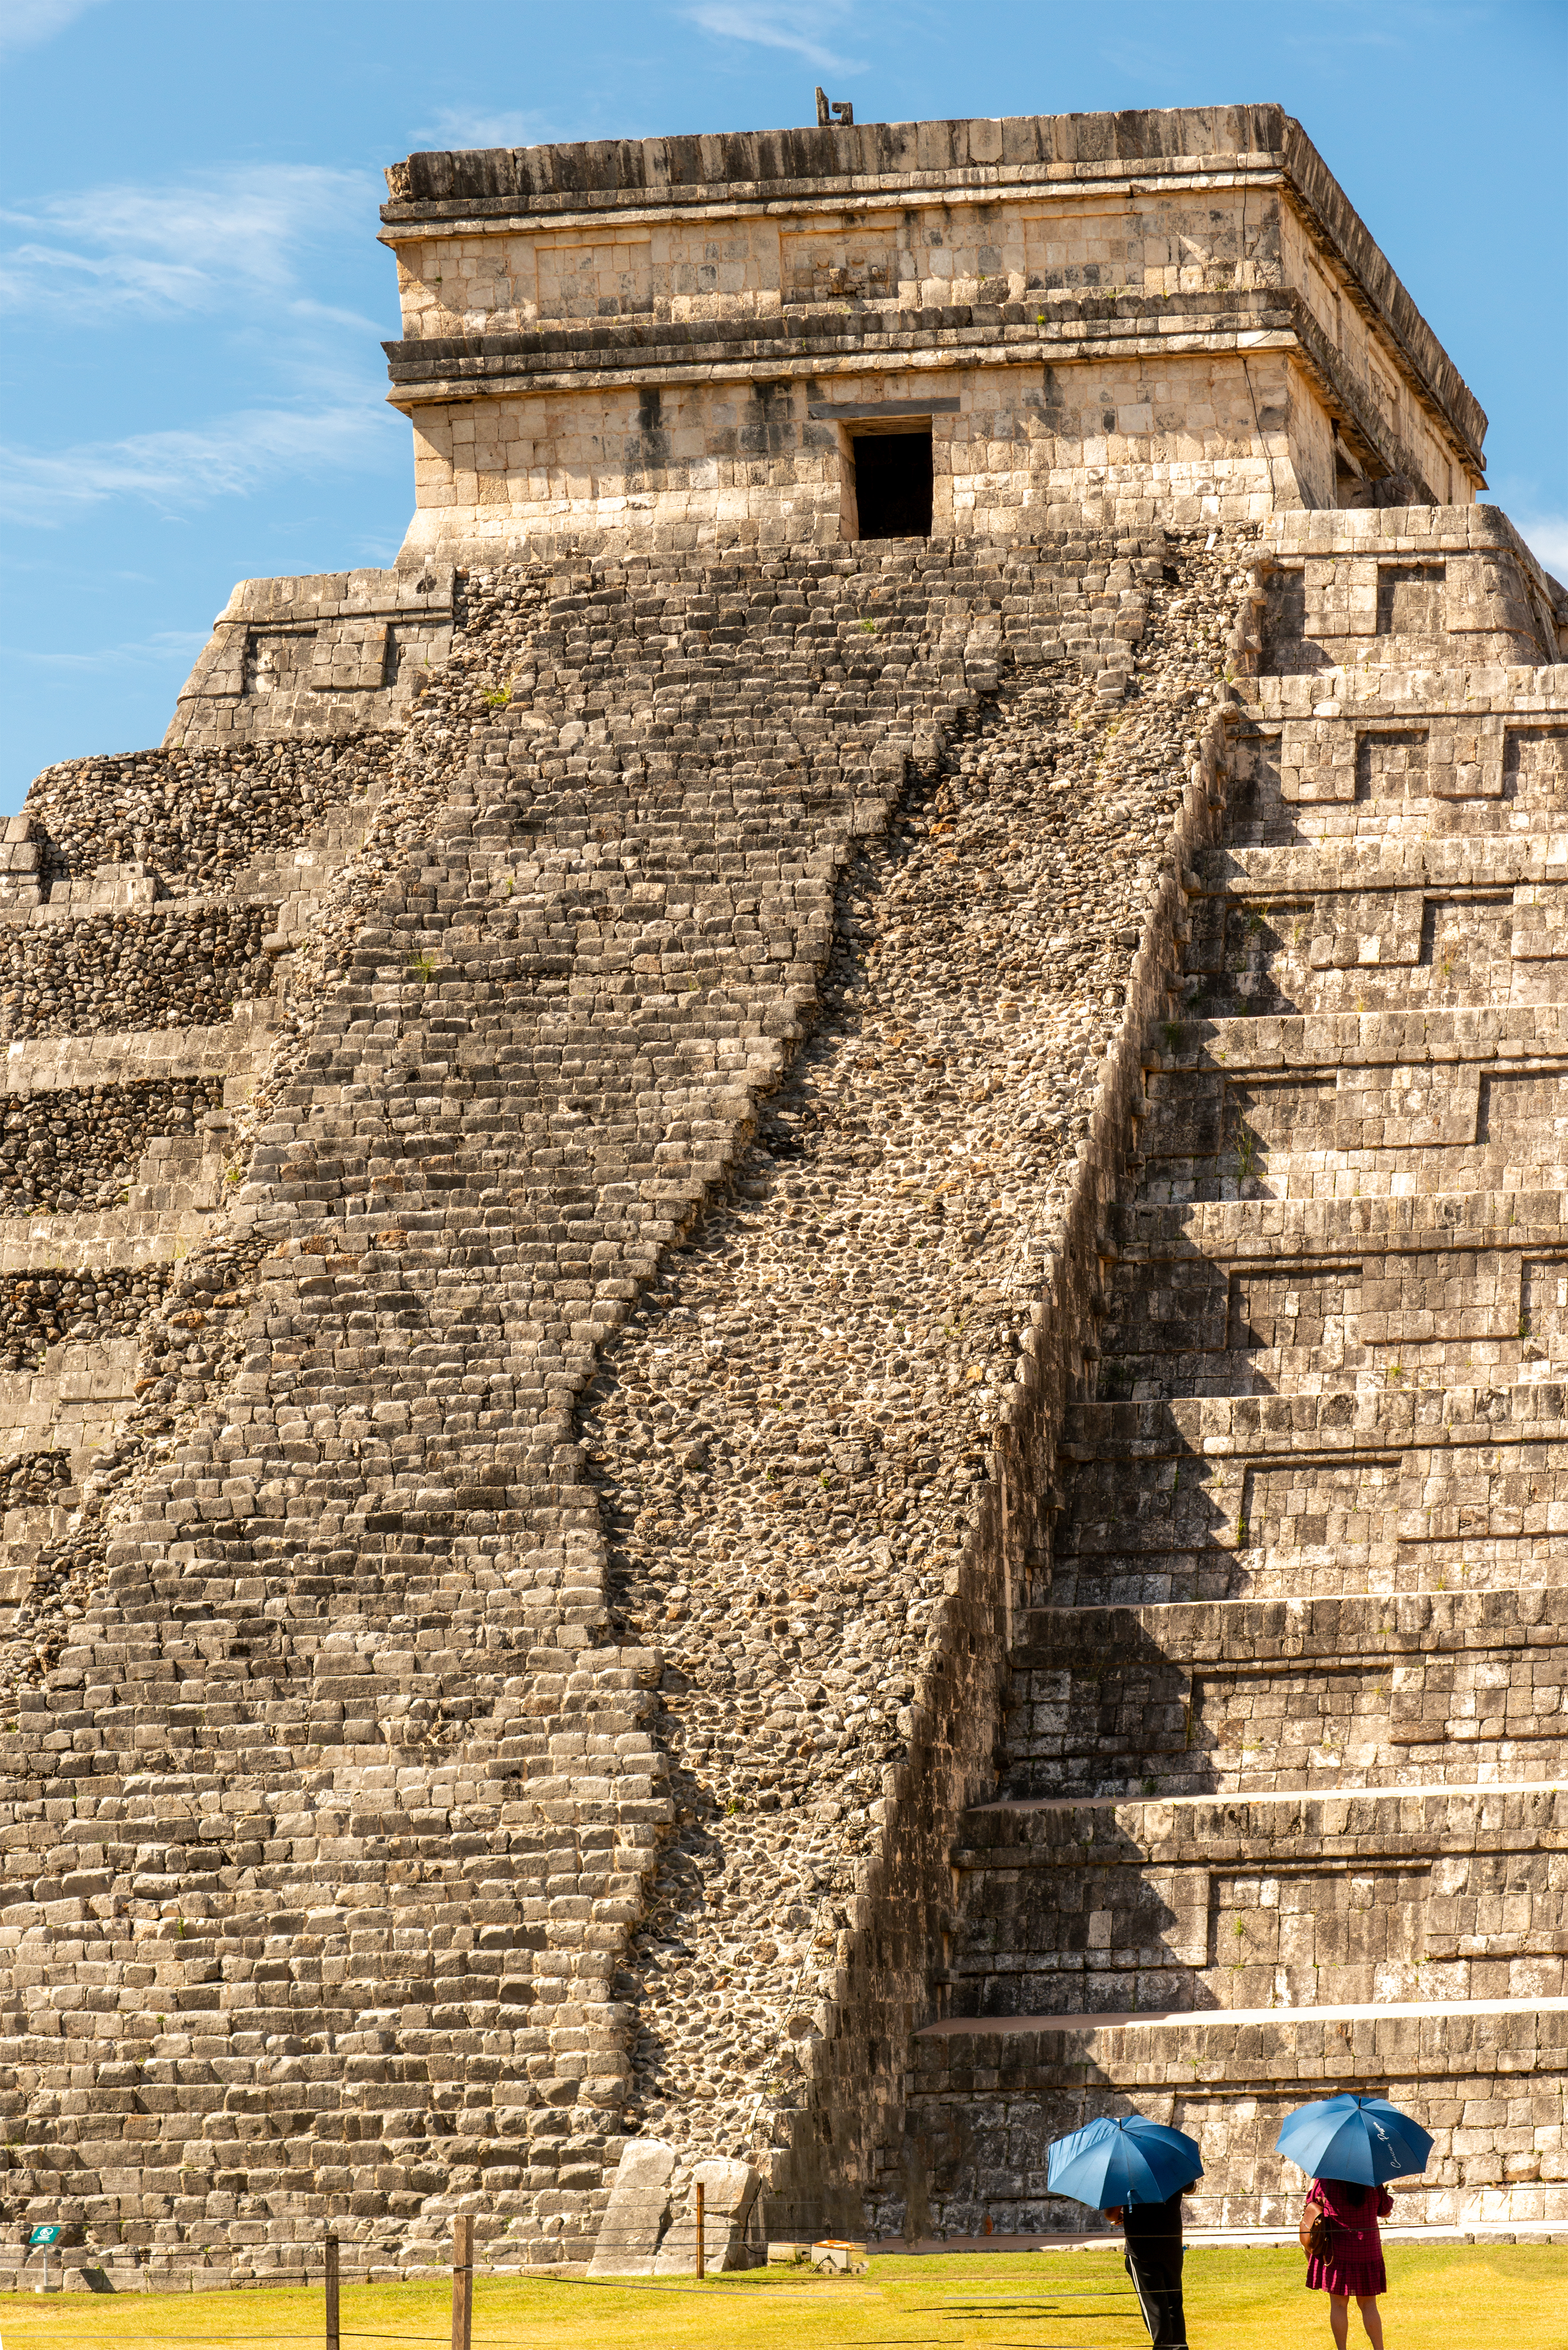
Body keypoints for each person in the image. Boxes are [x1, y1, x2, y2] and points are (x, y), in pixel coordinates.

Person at [1303, 2175, 1394, 2350]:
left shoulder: (1326, 2181)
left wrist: (1313, 2182)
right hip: (1367, 2252)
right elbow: (1386, 2212)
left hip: (1337, 2252)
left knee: (1338, 2305)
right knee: (1369, 2306)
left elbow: (1311, 2205)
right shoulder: (1372, 2181)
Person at [1102, 2186, 1188, 2350]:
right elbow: (1191, 2188)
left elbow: (1111, 2214)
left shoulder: (1126, 2172)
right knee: (1174, 2305)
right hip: (1172, 2245)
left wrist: (1121, 2215)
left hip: (1142, 2249)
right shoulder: (1173, 2165)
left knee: (1155, 2309)